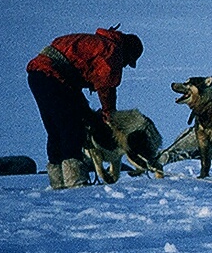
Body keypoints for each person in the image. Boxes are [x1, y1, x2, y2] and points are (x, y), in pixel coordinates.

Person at [27, 25, 144, 188]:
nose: (124, 66)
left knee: (55, 129)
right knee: (71, 127)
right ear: (128, 52)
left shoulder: (100, 43)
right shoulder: (112, 51)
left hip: (39, 76)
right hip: (53, 77)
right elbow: (106, 86)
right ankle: (75, 181)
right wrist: (109, 112)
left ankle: (58, 180)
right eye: (128, 62)